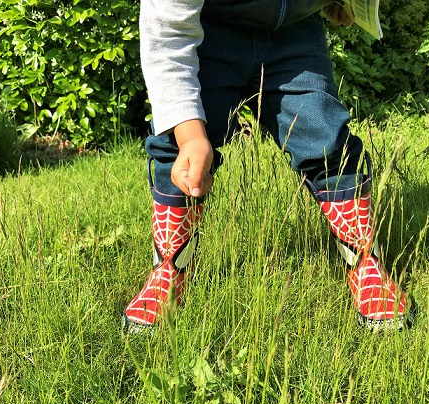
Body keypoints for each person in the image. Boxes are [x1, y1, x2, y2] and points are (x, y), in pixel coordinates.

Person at [122, 0, 411, 333]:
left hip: (295, 38)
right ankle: (170, 269)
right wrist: (189, 136)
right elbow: (167, 32)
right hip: (207, 35)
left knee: (327, 141)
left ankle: (364, 262)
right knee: (177, 151)